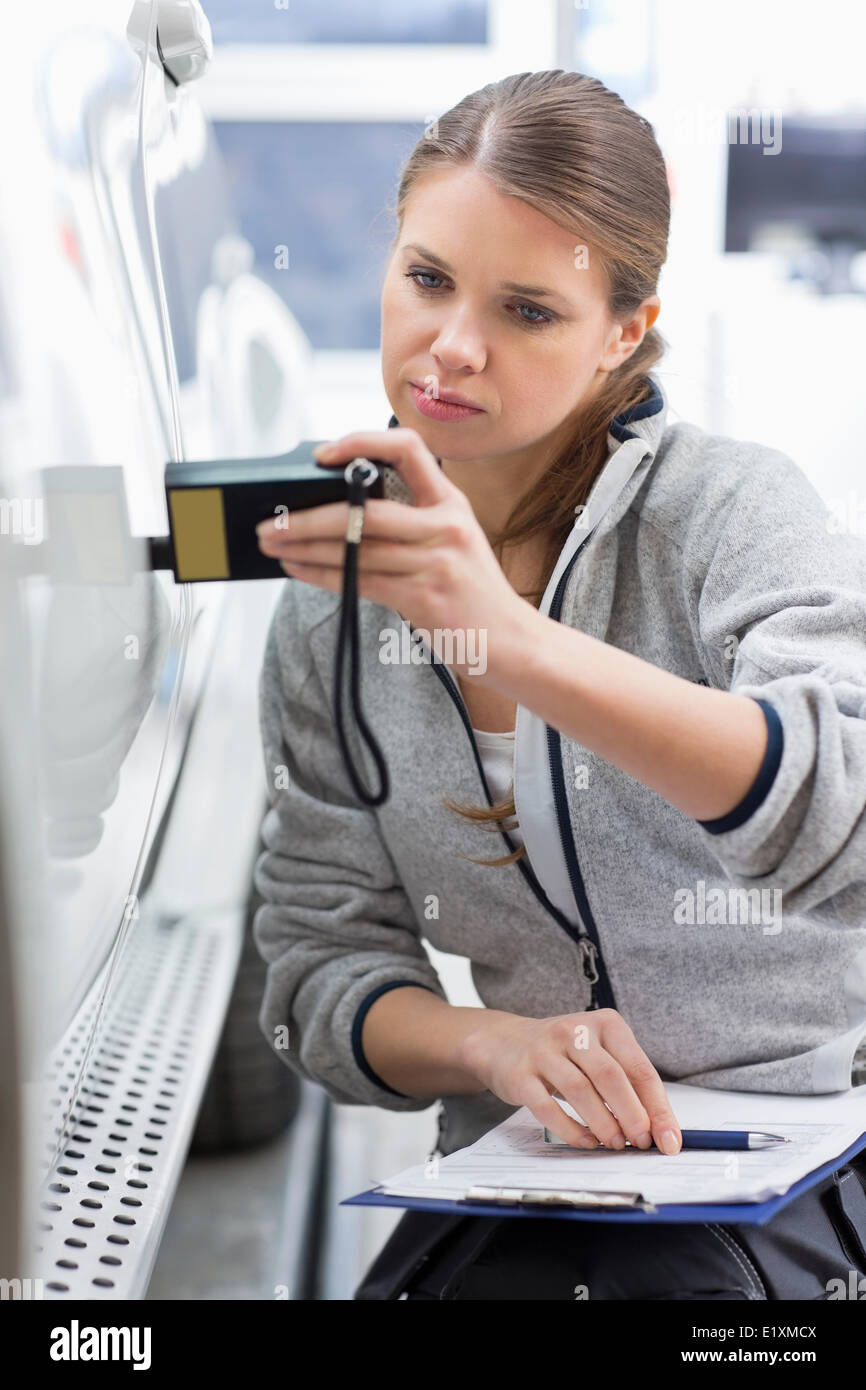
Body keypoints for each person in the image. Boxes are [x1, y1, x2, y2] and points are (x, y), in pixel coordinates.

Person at [251, 70, 866, 1299]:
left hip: (803, 1156)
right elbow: (317, 970)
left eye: (528, 310)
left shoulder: (728, 511)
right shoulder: (330, 593)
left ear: (620, 335)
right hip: (530, 1176)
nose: (451, 347)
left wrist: (511, 641)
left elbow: (839, 807)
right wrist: (497, 1044)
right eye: (426, 278)